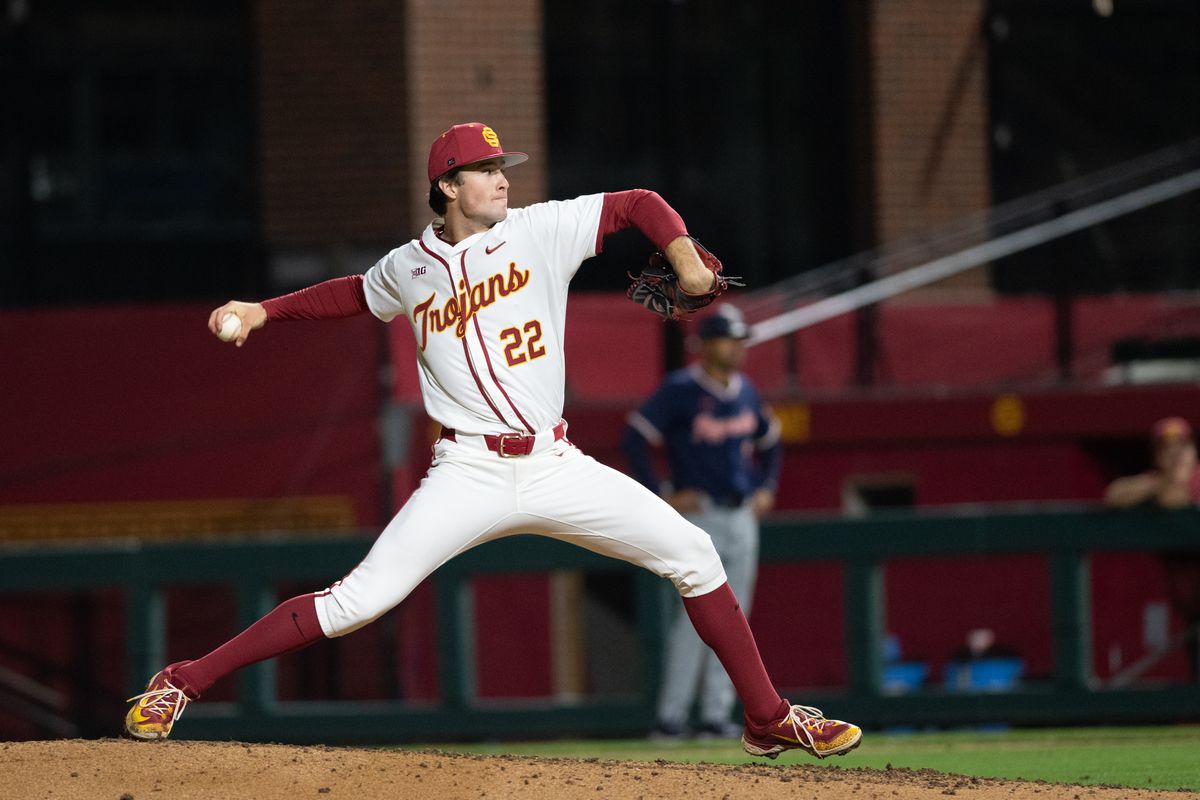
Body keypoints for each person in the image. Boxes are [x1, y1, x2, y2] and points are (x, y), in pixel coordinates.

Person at [123, 122, 861, 760]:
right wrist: (262, 310)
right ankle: (181, 681)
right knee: (356, 603)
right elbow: (351, 292)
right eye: (484, 170)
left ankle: (766, 720)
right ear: (446, 186)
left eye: (502, 168)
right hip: (467, 469)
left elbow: (637, 203)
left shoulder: (541, 229)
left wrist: (685, 255)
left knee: (694, 555)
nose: (501, 180)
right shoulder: (408, 267)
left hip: (554, 462)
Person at [620, 306, 781, 739]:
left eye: (740, 339)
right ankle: (670, 717)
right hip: (700, 515)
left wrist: (767, 485)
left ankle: (715, 715)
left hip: (741, 511)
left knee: (735, 620)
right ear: (707, 345)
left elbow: (771, 441)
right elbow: (634, 437)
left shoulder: (746, 390)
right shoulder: (681, 389)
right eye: (730, 339)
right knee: (695, 619)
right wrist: (662, 493)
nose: (738, 347)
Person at [1103, 416, 1200, 682]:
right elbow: (1114, 494)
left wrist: (1171, 487)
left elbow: (1177, 499)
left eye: (1182, 447)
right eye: (1167, 449)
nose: (1176, 455)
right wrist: (1161, 484)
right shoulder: (1155, 482)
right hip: (1191, 608)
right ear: (1156, 456)